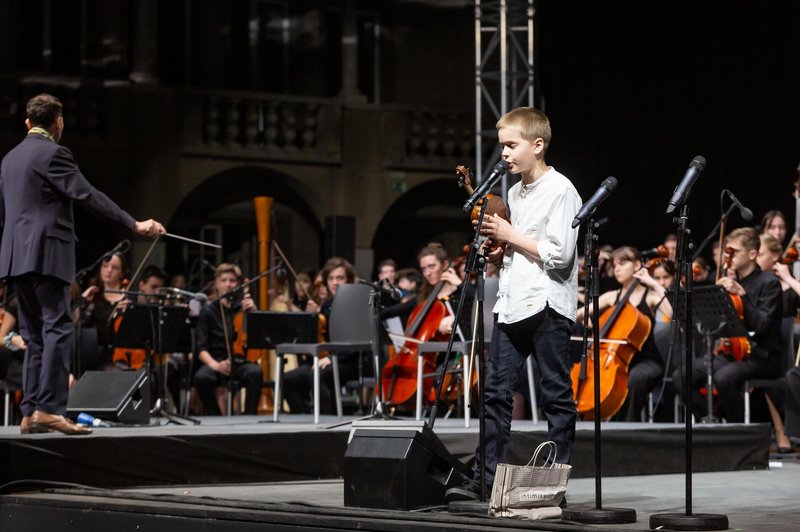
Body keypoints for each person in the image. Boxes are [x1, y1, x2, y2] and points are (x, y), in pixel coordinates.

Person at [0, 94, 164, 435]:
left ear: (27, 123)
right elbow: (87, 194)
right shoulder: (55, 153)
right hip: (47, 254)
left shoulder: (9, 159)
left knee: (34, 335)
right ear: (58, 123)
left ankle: (30, 412)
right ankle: (49, 409)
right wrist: (133, 224)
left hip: (16, 257)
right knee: (58, 328)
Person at [447, 107, 581, 501]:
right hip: (512, 303)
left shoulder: (562, 190)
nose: (503, 153)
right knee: (494, 394)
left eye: (511, 145)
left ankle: (555, 484)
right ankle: (487, 481)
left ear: (537, 145)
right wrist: (498, 250)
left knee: (555, 394)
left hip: (547, 305)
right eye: (501, 145)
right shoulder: (513, 192)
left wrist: (510, 232)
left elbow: (561, 255)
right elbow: (519, 249)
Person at [673, 227, 782, 422]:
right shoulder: (728, 282)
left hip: (760, 356)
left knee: (723, 378)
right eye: (727, 252)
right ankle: (711, 420)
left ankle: (736, 429)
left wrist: (742, 296)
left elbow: (763, 326)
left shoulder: (769, 282)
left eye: (735, 252)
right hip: (730, 353)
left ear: (752, 254)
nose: (728, 257)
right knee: (681, 376)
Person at [576, 247, 672, 422]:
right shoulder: (612, 296)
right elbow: (579, 314)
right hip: (615, 360)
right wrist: (587, 322)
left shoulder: (650, 296)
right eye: (615, 265)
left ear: (637, 265)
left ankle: (628, 428)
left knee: (634, 379)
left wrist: (655, 284)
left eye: (622, 263)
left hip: (646, 360)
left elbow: (672, 314)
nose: (617, 269)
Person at [282, 257, 360, 414]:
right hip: (326, 360)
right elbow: (313, 338)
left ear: (349, 280)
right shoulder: (327, 305)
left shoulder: (355, 303)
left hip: (349, 363)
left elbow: (355, 345)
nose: (335, 282)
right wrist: (310, 318)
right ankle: (304, 417)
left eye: (340, 278)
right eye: (331, 278)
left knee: (319, 375)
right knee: (287, 379)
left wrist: (331, 358)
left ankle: (326, 421)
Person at [193, 263, 263, 415]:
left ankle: (250, 418)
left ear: (237, 284)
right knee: (201, 378)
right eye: (224, 280)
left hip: (239, 361)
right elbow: (201, 348)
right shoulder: (208, 311)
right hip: (216, 362)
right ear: (217, 283)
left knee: (255, 372)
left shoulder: (243, 308)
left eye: (232, 280)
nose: (228, 284)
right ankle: (215, 417)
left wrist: (254, 312)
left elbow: (259, 338)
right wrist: (216, 365)